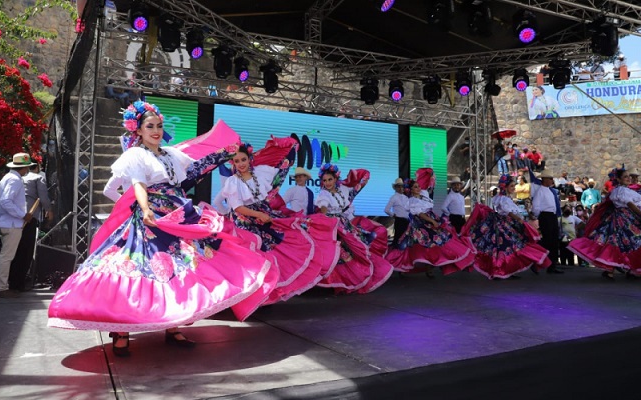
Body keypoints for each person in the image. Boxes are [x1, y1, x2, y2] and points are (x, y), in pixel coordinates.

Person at [48, 101, 272, 357]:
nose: (155, 130)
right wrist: (142, 208)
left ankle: (173, 326)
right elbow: (139, 185)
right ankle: (122, 331)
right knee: (137, 268)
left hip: (177, 217)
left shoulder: (170, 154)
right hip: (151, 220)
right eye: (149, 126)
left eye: (159, 125)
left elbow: (195, 170)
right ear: (138, 131)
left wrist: (224, 154)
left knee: (180, 269)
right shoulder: (135, 155)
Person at [220, 141, 339, 307]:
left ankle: (264, 293)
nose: (240, 164)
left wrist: (291, 149)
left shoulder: (260, 174)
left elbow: (281, 172)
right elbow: (238, 207)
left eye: (243, 159)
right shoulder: (232, 181)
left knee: (286, 243)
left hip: (263, 214)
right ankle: (247, 296)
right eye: (237, 161)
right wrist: (258, 214)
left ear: (250, 159)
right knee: (252, 257)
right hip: (244, 221)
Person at [568, 167, 641, 280]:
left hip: (619, 219)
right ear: (618, 179)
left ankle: (614, 270)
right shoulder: (622, 191)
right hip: (626, 219)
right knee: (632, 242)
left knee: (618, 243)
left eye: (629, 176)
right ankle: (630, 269)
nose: (629, 178)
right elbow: (630, 205)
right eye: (625, 177)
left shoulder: (618, 191)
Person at [316, 164, 393, 293]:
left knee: (357, 248)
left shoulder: (343, 190)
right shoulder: (323, 194)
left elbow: (360, 183)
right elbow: (323, 208)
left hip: (345, 224)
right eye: (324, 180)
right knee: (338, 252)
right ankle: (336, 282)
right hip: (333, 226)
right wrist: (324, 218)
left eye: (330, 179)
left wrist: (363, 180)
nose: (327, 183)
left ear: (335, 179)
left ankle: (351, 279)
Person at [461, 174, 551, 279]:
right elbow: (507, 212)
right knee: (503, 248)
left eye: (514, 186)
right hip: (501, 227)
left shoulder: (505, 198)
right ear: (505, 187)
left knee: (512, 248)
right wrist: (518, 220)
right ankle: (498, 270)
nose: (514, 188)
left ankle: (507, 270)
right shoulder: (502, 199)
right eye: (511, 186)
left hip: (508, 226)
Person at [386, 172, 474, 276]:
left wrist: (431, 178)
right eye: (415, 187)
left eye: (418, 186)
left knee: (439, 241)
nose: (418, 188)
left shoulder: (423, 195)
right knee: (414, 246)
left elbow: (429, 187)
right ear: (410, 190)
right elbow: (420, 214)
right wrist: (432, 221)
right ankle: (404, 266)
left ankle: (431, 266)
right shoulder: (412, 201)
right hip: (421, 225)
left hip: (430, 221)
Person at [0, 153, 35, 298]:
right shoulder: (15, 180)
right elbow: (6, 201)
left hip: (8, 222)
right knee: (7, 257)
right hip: (11, 223)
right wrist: (23, 215)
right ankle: (1, 287)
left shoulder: (7, 178)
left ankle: (1, 286)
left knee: (6, 256)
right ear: (24, 168)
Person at [9, 162, 53, 292]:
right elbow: (43, 197)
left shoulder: (13, 179)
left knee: (14, 250)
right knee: (26, 250)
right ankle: (19, 283)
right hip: (29, 217)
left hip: (13, 216)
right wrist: (49, 210)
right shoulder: (38, 178)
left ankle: (10, 281)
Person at [528, 169, 564, 274]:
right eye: (550, 178)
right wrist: (539, 216)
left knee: (553, 241)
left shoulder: (549, 191)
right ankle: (537, 262)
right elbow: (536, 207)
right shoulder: (540, 191)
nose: (552, 180)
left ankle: (551, 265)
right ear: (544, 180)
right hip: (545, 216)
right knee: (547, 241)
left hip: (551, 216)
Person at [384, 178, 410, 246]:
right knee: (398, 238)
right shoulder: (393, 197)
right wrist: (393, 215)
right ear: (395, 188)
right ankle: (394, 254)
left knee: (405, 239)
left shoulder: (406, 197)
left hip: (407, 220)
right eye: (398, 186)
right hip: (399, 220)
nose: (401, 188)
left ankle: (403, 254)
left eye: (402, 186)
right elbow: (386, 209)